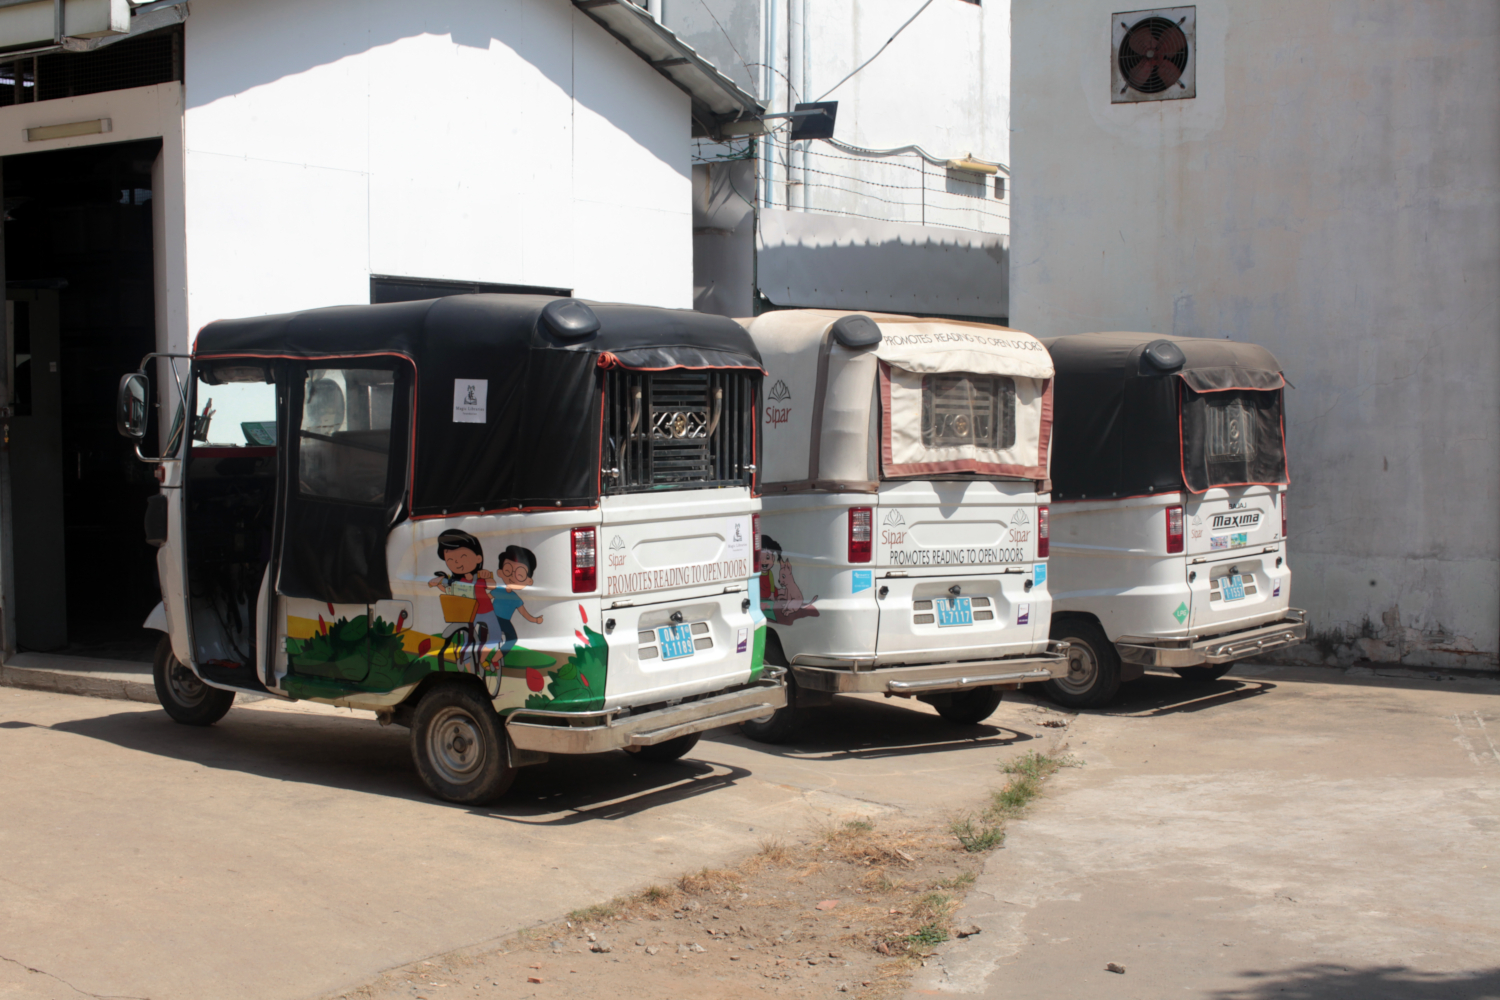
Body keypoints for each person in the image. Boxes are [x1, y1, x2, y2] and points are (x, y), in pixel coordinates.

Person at [491, 545, 543, 657]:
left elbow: (525, 613)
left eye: (520, 575)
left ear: (529, 581)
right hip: (496, 619)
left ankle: (493, 659)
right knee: (511, 638)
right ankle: (494, 659)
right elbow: (485, 598)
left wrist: (535, 619)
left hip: (496, 619)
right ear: (500, 572)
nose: (513, 576)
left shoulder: (513, 597)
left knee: (509, 638)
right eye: (507, 571)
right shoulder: (502, 592)